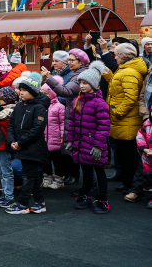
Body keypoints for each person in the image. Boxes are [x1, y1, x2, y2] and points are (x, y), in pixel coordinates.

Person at [64, 61, 111, 214]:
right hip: (81, 144)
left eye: (85, 83)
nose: (82, 86)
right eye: (80, 83)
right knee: (86, 171)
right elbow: (72, 124)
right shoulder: (78, 102)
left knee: (99, 171)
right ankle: (86, 195)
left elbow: (104, 127)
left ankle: (102, 199)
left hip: (94, 145)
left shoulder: (100, 103)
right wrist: (70, 140)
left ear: (94, 84)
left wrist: (98, 146)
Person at [103, 42, 146, 193]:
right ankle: (128, 184)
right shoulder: (125, 69)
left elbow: (130, 97)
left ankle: (132, 186)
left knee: (129, 158)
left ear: (122, 56)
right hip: (123, 121)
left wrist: (117, 112)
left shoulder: (129, 72)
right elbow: (118, 89)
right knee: (123, 155)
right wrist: (109, 76)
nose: (114, 57)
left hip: (126, 121)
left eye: (116, 54)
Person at [44, 48, 89, 186]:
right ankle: (69, 175)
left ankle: (76, 177)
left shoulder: (78, 75)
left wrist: (49, 79)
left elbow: (65, 91)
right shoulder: (74, 73)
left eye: (71, 60)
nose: (69, 62)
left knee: (73, 147)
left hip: (72, 111)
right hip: (70, 111)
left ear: (80, 61)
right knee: (68, 146)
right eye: (68, 60)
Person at [5, 75, 49, 215]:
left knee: (28, 176)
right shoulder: (19, 106)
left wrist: (20, 143)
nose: (21, 92)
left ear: (34, 92)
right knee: (32, 175)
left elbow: (37, 129)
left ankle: (23, 204)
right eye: (20, 89)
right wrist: (12, 141)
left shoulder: (39, 108)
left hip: (33, 148)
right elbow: (11, 124)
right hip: (21, 146)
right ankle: (39, 202)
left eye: (25, 90)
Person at [0, 87, 18, 208]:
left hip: (3, 144)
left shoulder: (10, 111)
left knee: (6, 171)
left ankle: (9, 197)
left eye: (0, 99)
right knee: (1, 170)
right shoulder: (3, 109)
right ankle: (6, 194)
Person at [41, 84, 66, 190]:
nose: (44, 96)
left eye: (46, 93)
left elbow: (62, 123)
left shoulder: (59, 107)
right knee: (45, 159)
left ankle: (59, 179)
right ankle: (47, 177)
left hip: (55, 138)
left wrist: (62, 136)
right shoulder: (41, 106)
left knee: (57, 160)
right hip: (44, 139)